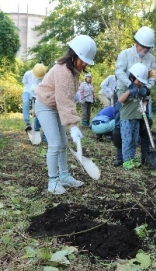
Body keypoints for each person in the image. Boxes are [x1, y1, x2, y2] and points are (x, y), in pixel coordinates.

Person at [34, 35, 97, 195]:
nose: (84, 64)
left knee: (63, 143)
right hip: (45, 105)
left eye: (86, 61)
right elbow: (64, 102)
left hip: (56, 106)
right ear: (73, 54)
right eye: (82, 59)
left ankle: (64, 176)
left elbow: (66, 98)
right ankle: (53, 181)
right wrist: (73, 125)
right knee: (55, 143)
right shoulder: (64, 72)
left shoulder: (73, 71)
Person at [113, 26, 156, 166]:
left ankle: (145, 156)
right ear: (137, 43)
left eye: (148, 48)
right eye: (143, 47)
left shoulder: (151, 59)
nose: (145, 50)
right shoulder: (125, 54)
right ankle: (121, 156)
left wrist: (147, 88)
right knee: (121, 125)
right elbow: (119, 71)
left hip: (142, 96)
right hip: (125, 94)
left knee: (145, 125)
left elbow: (153, 77)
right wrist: (130, 85)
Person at [118, 63, 149, 169]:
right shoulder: (126, 87)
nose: (140, 83)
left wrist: (144, 106)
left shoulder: (141, 89)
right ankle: (126, 160)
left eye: (141, 81)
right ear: (132, 78)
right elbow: (120, 100)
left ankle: (131, 158)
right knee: (127, 139)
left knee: (135, 140)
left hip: (137, 118)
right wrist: (130, 91)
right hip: (126, 118)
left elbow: (145, 100)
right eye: (138, 81)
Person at [22, 63, 47, 131]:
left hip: (36, 93)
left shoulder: (45, 78)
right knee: (25, 102)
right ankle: (27, 123)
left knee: (38, 109)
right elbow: (25, 83)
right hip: (27, 90)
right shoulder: (28, 74)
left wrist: (34, 108)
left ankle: (36, 126)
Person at [29, 64, 47, 142]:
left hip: (44, 101)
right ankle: (36, 130)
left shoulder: (46, 80)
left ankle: (43, 135)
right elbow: (33, 96)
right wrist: (34, 109)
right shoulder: (35, 81)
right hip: (39, 100)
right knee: (39, 117)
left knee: (44, 119)